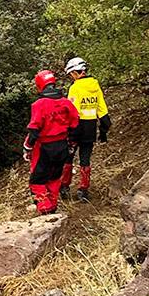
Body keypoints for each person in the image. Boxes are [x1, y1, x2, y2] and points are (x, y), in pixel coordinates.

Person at [24, 70, 80, 214]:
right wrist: (72, 143)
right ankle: (53, 206)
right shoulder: (66, 102)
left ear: (39, 86)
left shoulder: (39, 104)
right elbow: (75, 124)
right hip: (62, 145)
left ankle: (45, 208)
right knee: (54, 178)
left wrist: (27, 147)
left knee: (36, 181)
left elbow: (34, 129)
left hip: (44, 147)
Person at [61, 57, 111, 202]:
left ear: (76, 73)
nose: (71, 77)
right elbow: (103, 112)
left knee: (68, 157)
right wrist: (103, 131)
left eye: (71, 74)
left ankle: (64, 187)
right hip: (90, 129)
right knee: (85, 159)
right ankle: (83, 190)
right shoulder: (95, 86)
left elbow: (71, 111)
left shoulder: (75, 88)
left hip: (75, 129)